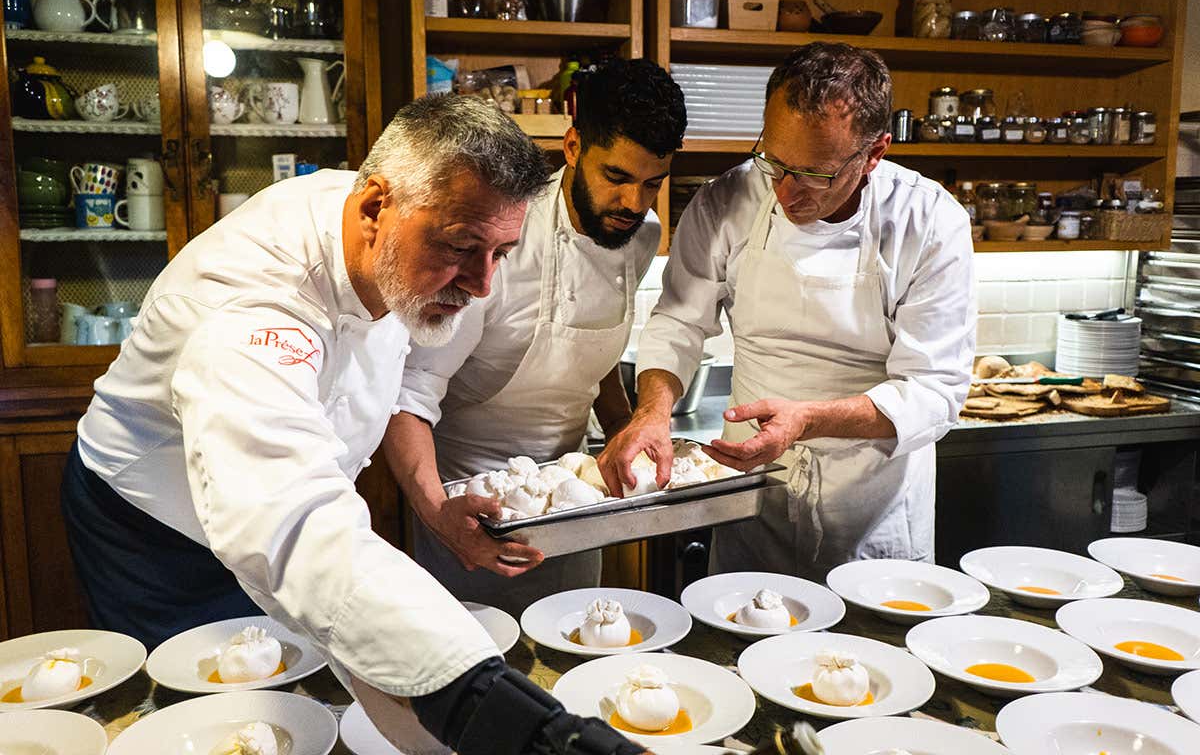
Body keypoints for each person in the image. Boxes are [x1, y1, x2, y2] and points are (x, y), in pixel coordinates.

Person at [61, 94, 643, 755]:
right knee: (215, 723)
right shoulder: (252, 306)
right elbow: (291, 523)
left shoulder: (394, 229)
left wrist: (434, 507)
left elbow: (336, 504)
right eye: (461, 248)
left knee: (327, 698)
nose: (482, 284)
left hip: (306, 506)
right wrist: (523, 728)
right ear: (373, 208)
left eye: (501, 253)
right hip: (157, 535)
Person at [600, 43, 976, 579]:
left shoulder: (929, 221)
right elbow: (679, 322)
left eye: (814, 174)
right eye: (772, 161)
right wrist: (652, 413)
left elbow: (934, 391)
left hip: (873, 510)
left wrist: (806, 419)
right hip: (752, 498)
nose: (785, 191)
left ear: (875, 153)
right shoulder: (726, 202)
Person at [386, 58, 687, 616]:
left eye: (653, 183)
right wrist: (436, 513)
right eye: (616, 177)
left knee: (578, 648)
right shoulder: (501, 233)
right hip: (467, 505)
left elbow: (592, 359)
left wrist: (626, 428)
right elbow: (410, 394)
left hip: (574, 502)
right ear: (573, 147)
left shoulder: (641, 235)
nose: (634, 203)